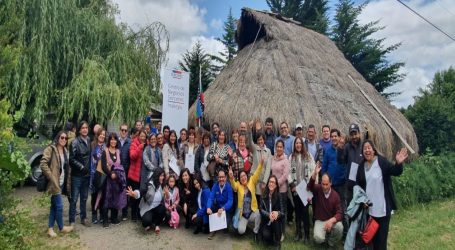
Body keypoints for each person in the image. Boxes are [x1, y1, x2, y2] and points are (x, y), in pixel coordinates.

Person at [355, 140, 408, 250]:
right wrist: (362, 201)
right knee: (372, 242)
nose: (367, 150)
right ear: (362, 152)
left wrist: (398, 163)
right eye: (365, 148)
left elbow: (395, 171)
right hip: (369, 211)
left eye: (369, 147)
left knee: (381, 242)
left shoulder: (381, 162)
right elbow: (358, 186)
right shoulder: (361, 166)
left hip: (383, 210)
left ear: (374, 150)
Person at [40, 131, 73, 237]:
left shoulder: (65, 150)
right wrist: (51, 177)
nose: (64, 140)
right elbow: (43, 163)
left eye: (66, 138)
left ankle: (50, 229)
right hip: (54, 183)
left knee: (54, 206)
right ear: (58, 138)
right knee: (59, 206)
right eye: (62, 137)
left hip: (62, 182)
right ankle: (61, 227)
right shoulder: (51, 149)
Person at [308, 163, 344, 248]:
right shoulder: (318, 189)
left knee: (340, 227)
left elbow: (340, 213)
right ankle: (325, 238)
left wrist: (332, 221)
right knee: (318, 238)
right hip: (320, 220)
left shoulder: (336, 196)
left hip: (330, 220)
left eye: (326, 184)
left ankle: (330, 242)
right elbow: (310, 186)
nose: (324, 187)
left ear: (331, 183)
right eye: (323, 184)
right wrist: (315, 174)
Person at [288, 137, 316, 242]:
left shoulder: (308, 156)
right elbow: (288, 172)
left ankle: (307, 235)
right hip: (295, 189)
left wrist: (312, 186)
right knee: (298, 212)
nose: (298, 145)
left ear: (302, 145)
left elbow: (314, 170)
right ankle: (298, 233)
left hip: (306, 189)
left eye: (300, 143)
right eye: (296, 143)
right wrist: (292, 185)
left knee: (305, 212)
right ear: (294, 145)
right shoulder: (291, 157)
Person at [229, 160, 263, 239]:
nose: (243, 178)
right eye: (241, 177)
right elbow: (234, 185)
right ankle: (245, 224)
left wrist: (261, 164)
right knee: (240, 231)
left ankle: (255, 232)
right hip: (243, 215)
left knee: (258, 214)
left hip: (252, 212)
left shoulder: (251, 181)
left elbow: (257, 173)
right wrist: (231, 178)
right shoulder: (238, 185)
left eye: (244, 175)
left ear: (246, 176)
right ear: (239, 179)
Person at [126, 168, 166, 235]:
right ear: (156, 176)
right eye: (161, 176)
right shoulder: (149, 184)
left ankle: (157, 224)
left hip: (157, 207)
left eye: (163, 175)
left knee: (163, 209)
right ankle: (149, 223)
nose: (163, 177)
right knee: (146, 221)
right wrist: (134, 193)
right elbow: (141, 191)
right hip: (148, 208)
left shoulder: (161, 184)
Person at [322, 129, 347, 230]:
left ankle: (344, 232)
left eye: (335, 136)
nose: (333, 138)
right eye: (332, 136)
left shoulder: (345, 150)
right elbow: (324, 167)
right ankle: (330, 229)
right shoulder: (328, 151)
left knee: (342, 208)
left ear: (339, 137)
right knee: (330, 207)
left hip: (342, 184)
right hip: (331, 185)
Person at [101, 132, 127, 228]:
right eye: (111, 139)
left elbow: (121, 164)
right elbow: (103, 166)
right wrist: (110, 173)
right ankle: (105, 220)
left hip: (117, 180)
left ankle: (114, 218)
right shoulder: (105, 151)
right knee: (107, 199)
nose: (113, 141)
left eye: (115, 139)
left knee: (116, 199)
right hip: (108, 179)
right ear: (109, 141)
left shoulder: (118, 151)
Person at [69, 121, 91, 226]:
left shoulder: (89, 140)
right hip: (77, 176)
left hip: (86, 176)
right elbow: (71, 159)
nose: (85, 129)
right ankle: (72, 220)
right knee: (74, 199)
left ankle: (83, 218)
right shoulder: (74, 142)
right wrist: (82, 167)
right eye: (83, 128)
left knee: (84, 198)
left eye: (86, 127)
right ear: (79, 130)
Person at [206, 169, 234, 240]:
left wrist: (223, 208)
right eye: (219, 177)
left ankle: (224, 226)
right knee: (211, 207)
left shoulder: (229, 187)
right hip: (217, 207)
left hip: (226, 210)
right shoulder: (215, 186)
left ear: (226, 177)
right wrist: (208, 207)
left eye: (223, 177)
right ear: (217, 178)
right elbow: (210, 198)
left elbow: (230, 201)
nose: (221, 179)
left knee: (226, 223)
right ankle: (213, 229)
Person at [270, 139, 289, 239]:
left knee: (282, 212)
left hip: (281, 190)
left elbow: (285, 175)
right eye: (277, 147)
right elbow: (271, 172)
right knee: (274, 210)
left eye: (281, 147)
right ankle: (275, 230)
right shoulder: (273, 158)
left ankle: (282, 232)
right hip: (273, 189)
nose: (279, 148)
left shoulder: (285, 160)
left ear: (283, 148)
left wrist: (276, 184)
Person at [259, 175, 284, 250]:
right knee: (266, 236)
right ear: (268, 183)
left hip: (276, 224)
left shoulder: (279, 196)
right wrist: (268, 215)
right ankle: (273, 238)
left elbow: (283, 212)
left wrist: (277, 213)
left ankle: (277, 243)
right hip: (267, 222)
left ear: (276, 185)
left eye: (273, 182)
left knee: (275, 217)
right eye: (270, 182)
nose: (271, 184)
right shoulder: (263, 195)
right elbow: (260, 209)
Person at [128, 129, 147, 221]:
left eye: (144, 136)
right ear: (138, 136)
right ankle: (133, 215)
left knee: (141, 195)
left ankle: (139, 213)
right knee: (134, 196)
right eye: (141, 136)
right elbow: (132, 156)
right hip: (134, 175)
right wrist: (139, 147)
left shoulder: (147, 144)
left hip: (142, 175)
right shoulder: (134, 144)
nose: (143, 138)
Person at [90, 127, 106, 224]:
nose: (102, 136)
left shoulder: (105, 146)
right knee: (94, 195)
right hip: (93, 174)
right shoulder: (92, 145)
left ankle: (101, 214)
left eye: (104, 135)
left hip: (103, 174)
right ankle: (94, 214)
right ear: (97, 135)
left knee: (102, 195)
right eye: (101, 134)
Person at [119, 124, 132, 220]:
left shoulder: (130, 142)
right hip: (117, 170)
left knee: (125, 191)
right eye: (122, 130)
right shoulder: (116, 141)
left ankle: (124, 212)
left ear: (127, 132)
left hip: (127, 170)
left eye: (125, 130)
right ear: (120, 130)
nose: (123, 132)